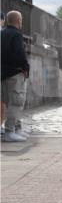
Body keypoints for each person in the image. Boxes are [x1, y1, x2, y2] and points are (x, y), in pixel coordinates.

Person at [1, 10, 30, 142]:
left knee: (9, 102)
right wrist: (25, 66)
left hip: (3, 74)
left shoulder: (2, 33)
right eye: (21, 19)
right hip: (15, 73)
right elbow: (19, 53)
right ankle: (10, 131)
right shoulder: (16, 34)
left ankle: (17, 129)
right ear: (18, 20)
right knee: (17, 102)